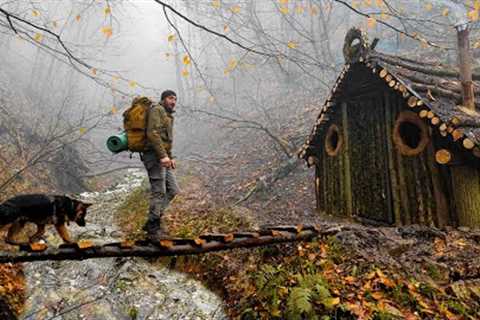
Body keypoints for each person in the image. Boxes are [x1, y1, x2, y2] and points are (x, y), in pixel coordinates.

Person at [141, 90, 179, 240]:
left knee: (174, 190)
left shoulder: (168, 115)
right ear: (163, 99)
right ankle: (153, 229)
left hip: (163, 157)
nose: (173, 101)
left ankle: (152, 221)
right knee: (159, 191)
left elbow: (166, 140)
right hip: (153, 156)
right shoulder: (157, 110)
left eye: (175, 99)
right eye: (170, 98)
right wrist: (163, 156)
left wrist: (170, 157)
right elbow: (153, 133)